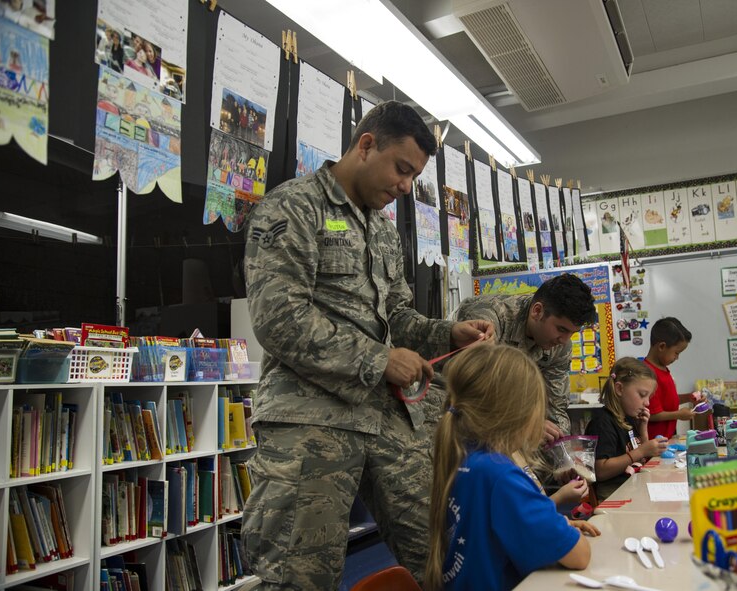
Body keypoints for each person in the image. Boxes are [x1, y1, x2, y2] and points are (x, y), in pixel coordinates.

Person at [242, 100, 493, 590]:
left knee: (442, 550)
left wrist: (447, 333)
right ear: (366, 144)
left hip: (385, 415)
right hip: (310, 420)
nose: (404, 187)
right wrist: (380, 359)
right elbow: (278, 320)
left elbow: (396, 315)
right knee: (298, 575)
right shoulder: (292, 207)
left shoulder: (380, 229)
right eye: (401, 170)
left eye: (413, 177)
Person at [426, 345, 598, 591]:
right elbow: (580, 556)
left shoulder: (464, 458)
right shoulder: (502, 474)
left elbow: (495, 527)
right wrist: (561, 529)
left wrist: (560, 524)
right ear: (518, 415)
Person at [432, 273, 597, 444]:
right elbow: (475, 391)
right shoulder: (490, 315)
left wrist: (561, 454)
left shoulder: (560, 346)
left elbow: (555, 407)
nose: (564, 340)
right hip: (443, 407)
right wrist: (526, 424)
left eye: (572, 333)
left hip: (501, 422)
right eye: (561, 329)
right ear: (537, 311)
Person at [586, 357, 668, 502]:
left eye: (649, 396)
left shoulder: (628, 418)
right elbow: (600, 471)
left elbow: (642, 459)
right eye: (642, 395)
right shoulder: (602, 423)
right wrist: (641, 451)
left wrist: (643, 430)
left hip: (631, 487)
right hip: (612, 495)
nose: (647, 402)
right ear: (619, 389)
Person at [645, 317, 695, 439]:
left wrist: (689, 397)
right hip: (653, 442)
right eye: (676, 353)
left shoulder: (664, 370)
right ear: (662, 346)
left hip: (666, 439)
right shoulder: (647, 374)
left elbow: (666, 402)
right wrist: (679, 414)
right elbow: (652, 414)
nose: (677, 358)